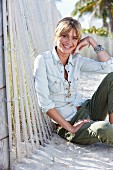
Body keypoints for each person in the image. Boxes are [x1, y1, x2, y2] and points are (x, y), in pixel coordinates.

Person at [34, 17, 113, 145]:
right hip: (70, 123)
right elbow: (45, 104)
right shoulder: (43, 61)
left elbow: (109, 67)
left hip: (88, 109)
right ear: (56, 35)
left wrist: (91, 41)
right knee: (103, 129)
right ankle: (109, 130)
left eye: (74, 38)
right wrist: (70, 128)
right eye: (65, 36)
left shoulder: (77, 60)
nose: (69, 42)